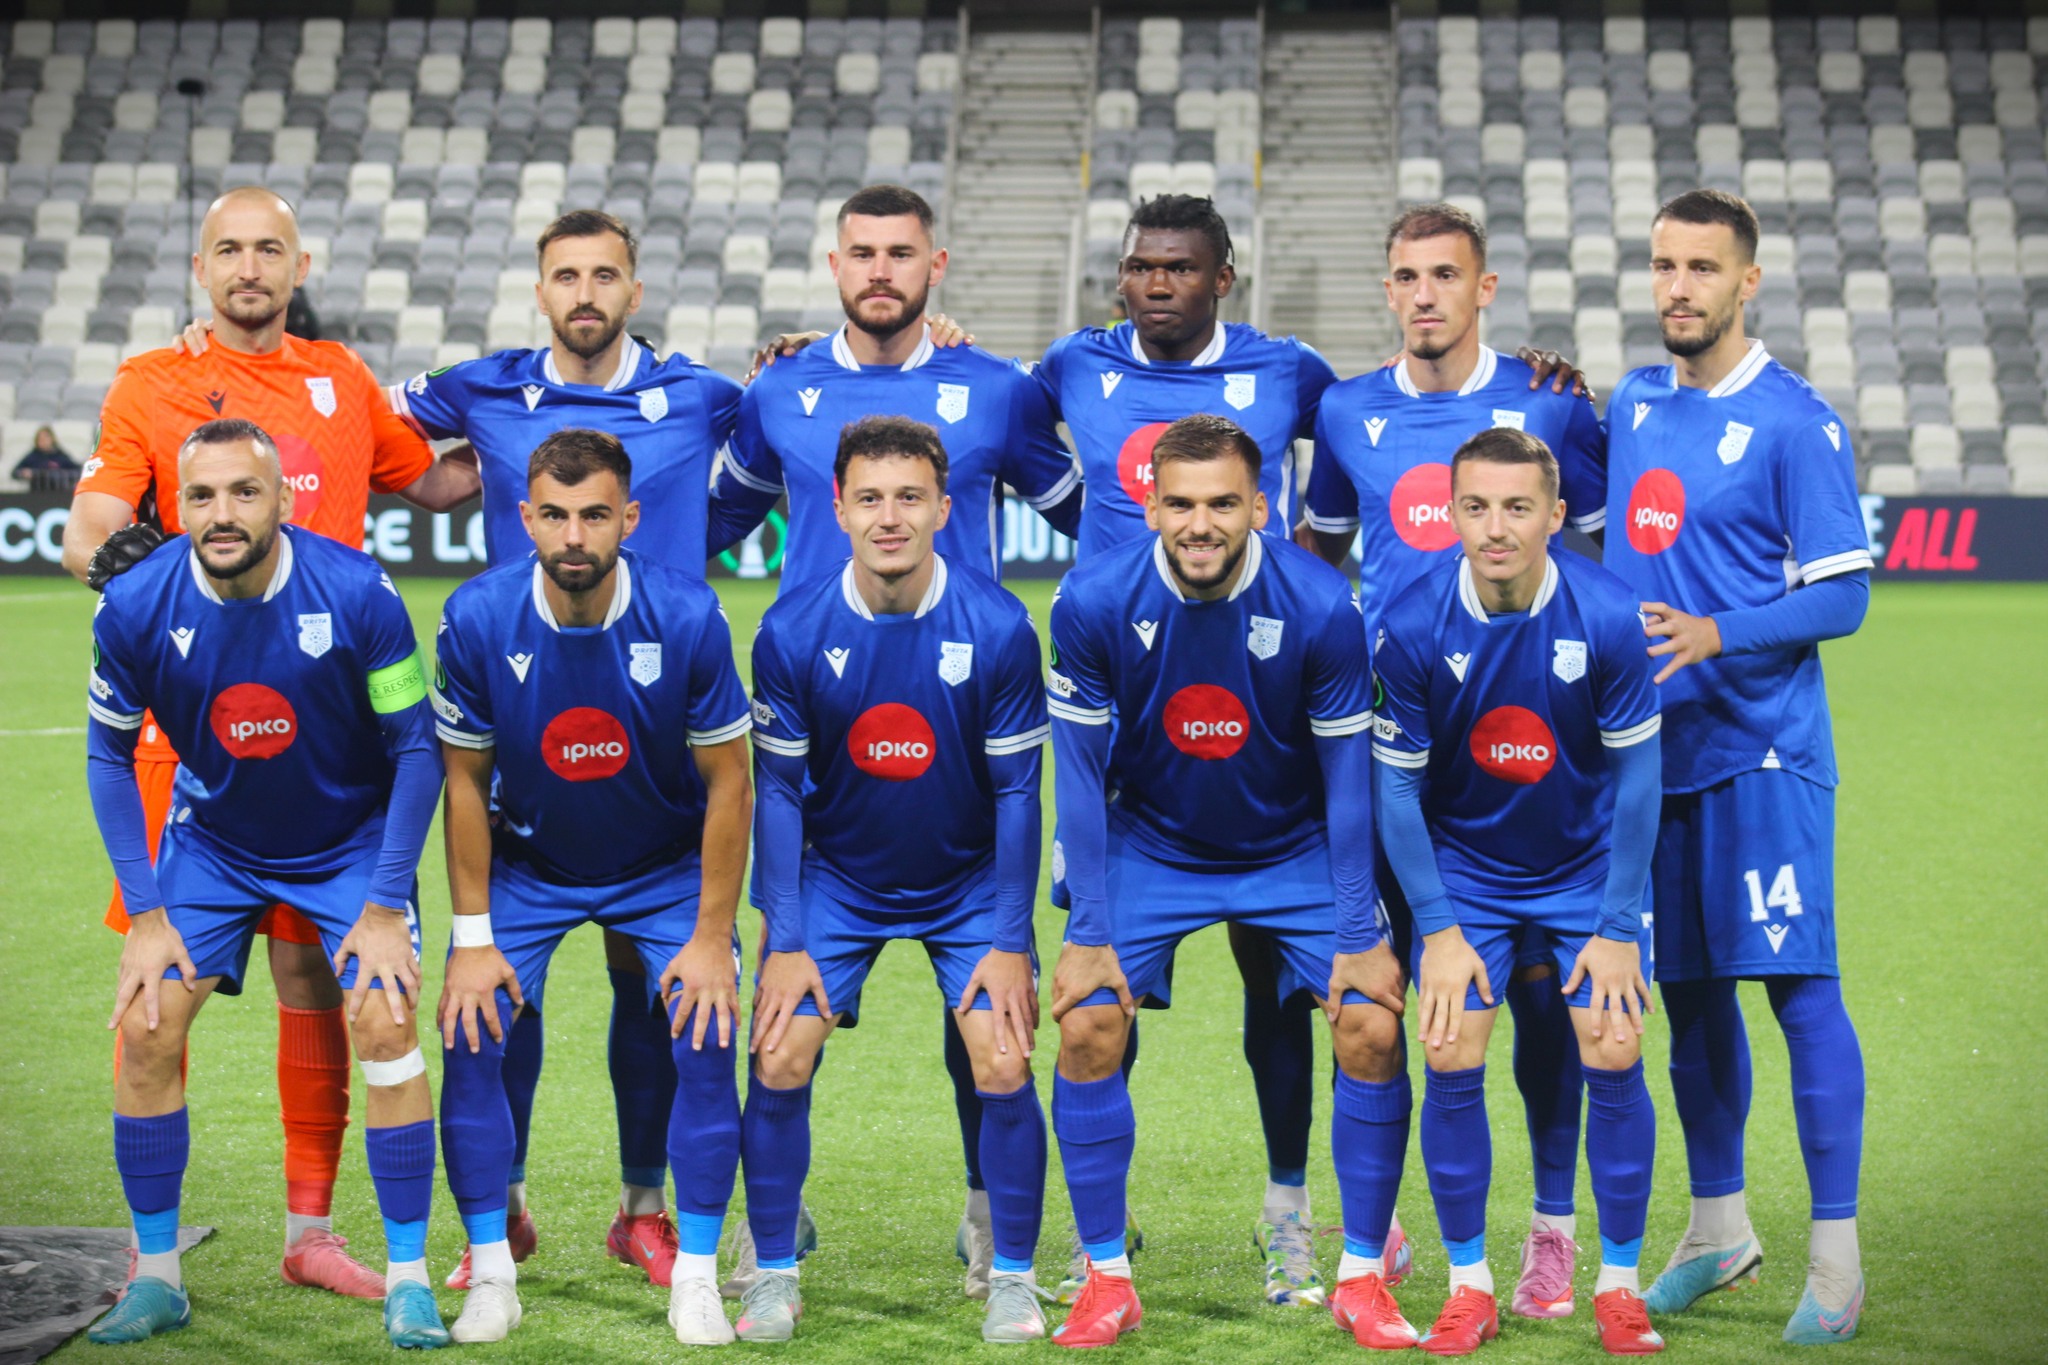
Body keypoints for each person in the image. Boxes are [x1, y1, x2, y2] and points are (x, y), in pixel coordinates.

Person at [62, 185, 478, 1302]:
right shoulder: (148, 382)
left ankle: (311, 1232)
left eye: (270, 249)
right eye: (229, 249)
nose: (249, 267)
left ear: (300, 266)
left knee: (316, 980)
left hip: (332, 742)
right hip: (193, 741)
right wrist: (127, 575)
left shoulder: (341, 378)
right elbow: (92, 526)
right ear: (201, 268)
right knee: (156, 992)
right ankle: (155, 1258)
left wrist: (537, 419)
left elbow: (438, 479)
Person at [710, 183, 1078, 1299]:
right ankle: (775, 1224)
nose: (881, 270)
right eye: (861, 252)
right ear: (834, 266)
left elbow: (1095, 517)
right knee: (782, 1027)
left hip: (962, 739)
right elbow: (700, 521)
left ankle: (991, 1223)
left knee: (991, 1032)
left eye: (900, 253)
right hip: (822, 752)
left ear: (935, 265)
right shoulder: (777, 387)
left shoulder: (995, 387)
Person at [391, 208, 747, 1290]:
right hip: (527, 725)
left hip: (654, 735)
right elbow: (361, 426)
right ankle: (501, 1210)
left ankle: (643, 1209)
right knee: (503, 993)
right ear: (539, 289)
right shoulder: (483, 389)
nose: (584, 293)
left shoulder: (704, 393)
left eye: (604, 275)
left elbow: (796, 434)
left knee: (656, 988)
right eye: (565, 275)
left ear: (635, 290)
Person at [1301, 202, 1613, 1321]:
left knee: (1543, 1003)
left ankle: (1551, 1231)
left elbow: (1598, 549)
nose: (1424, 294)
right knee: (1381, 988)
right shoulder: (1346, 410)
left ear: (1483, 288)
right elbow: (1320, 551)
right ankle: (1377, 1218)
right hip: (1395, 746)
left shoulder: (1550, 404)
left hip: (1529, 749)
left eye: (1445, 275)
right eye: (1406, 276)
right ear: (1386, 289)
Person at [1042, 413, 1412, 1349]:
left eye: (1222, 504)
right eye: (1180, 504)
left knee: (1371, 1021)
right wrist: (1087, 928)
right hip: (1152, 839)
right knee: (1087, 1020)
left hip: (1290, 843)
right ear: (1149, 505)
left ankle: (1361, 1277)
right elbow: (1077, 774)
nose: (1200, 524)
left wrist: (1359, 929)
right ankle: (1105, 1277)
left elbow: (1348, 777)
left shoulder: (1321, 603)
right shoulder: (1092, 598)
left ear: (1260, 507)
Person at [83, 419, 449, 1347]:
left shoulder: (357, 590)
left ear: (284, 499)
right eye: (202, 494)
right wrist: (148, 914)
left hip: (346, 843)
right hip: (215, 842)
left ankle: (409, 1278)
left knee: (385, 1019)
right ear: (176, 505)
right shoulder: (134, 604)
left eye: (245, 491)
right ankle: (157, 1275)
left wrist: (384, 903)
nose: (223, 512)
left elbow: (416, 749)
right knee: (147, 1024)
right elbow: (107, 754)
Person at [1602, 189, 1872, 1346]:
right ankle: (1718, 1231)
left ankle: (1835, 1262)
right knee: (1687, 996)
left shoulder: (1793, 423)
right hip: (1653, 759)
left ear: (1745, 281)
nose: (1678, 287)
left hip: (1761, 754)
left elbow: (1845, 595)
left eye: (1702, 268)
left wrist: (1719, 632)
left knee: (1798, 991)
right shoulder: (1631, 403)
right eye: (1663, 265)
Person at [431, 429, 754, 1344]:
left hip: (662, 865)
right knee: (471, 1026)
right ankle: (493, 1268)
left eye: (596, 515)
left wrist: (711, 938)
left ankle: (695, 1275)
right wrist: (471, 940)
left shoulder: (687, 614)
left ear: (630, 518)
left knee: (705, 1027)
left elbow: (730, 781)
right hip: (529, 865)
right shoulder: (477, 615)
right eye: (556, 515)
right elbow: (464, 781)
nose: (575, 535)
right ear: (525, 518)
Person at [738, 415, 1052, 1344]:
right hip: (839, 877)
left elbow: (1019, 794)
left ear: (944, 508)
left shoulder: (999, 626)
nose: (889, 517)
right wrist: (786, 938)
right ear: (836, 508)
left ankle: (1012, 1275)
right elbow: (777, 795)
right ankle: (773, 1269)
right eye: (869, 498)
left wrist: (1010, 940)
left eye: (910, 497)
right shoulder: (791, 630)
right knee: (778, 1052)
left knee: (1003, 1057)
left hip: (967, 883)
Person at [1371, 427, 1664, 1356]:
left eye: (1517, 507)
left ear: (1556, 515)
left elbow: (1640, 782)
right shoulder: (1412, 623)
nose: (1495, 528)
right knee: (1449, 1044)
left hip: (1585, 867)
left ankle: (1618, 1285)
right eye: (1476, 506)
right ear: (1451, 512)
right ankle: (1470, 1285)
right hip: (1467, 869)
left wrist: (1616, 925)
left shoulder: (1608, 614)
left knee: (1613, 1043)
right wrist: (1439, 929)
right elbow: (1396, 791)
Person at [14, 424, 81, 490]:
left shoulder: (60, 455)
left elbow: (77, 470)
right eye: (40, 439)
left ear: (52, 439)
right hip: (37, 492)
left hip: (59, 491)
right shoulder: (32, 456)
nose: (43, 441)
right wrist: (24, 473)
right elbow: (15, 472)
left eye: (45, 438)